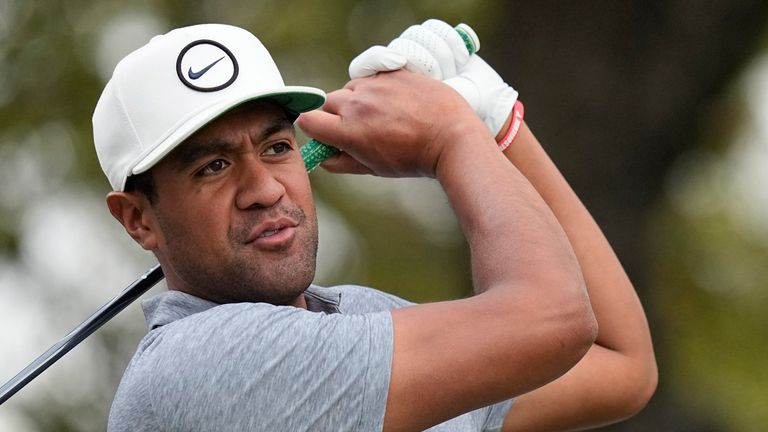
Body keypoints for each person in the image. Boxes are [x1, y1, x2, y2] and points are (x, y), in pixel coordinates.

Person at [95, 21, 654, 432]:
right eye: (213, 167)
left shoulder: (361, 316)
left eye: (277, 147)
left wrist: (500, 125)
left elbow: (620, 365)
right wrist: (454, 137)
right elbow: (554, 318)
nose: (265, 189)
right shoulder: (197, 366)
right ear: (138, 218)